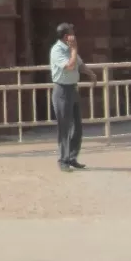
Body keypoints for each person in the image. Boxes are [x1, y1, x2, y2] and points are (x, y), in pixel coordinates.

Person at [49, 22, 96, 171]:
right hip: (62, 91)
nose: (74, 34)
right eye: (71, 32)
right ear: (65, 36)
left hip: (72, 89)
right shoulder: (57, 50)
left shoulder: (70, 49)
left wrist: (91, 74)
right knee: (65, 127)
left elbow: (79, 64)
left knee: (77, 126)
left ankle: (72, 157)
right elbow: (69, 66)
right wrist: (74, 49)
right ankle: (63, 160)